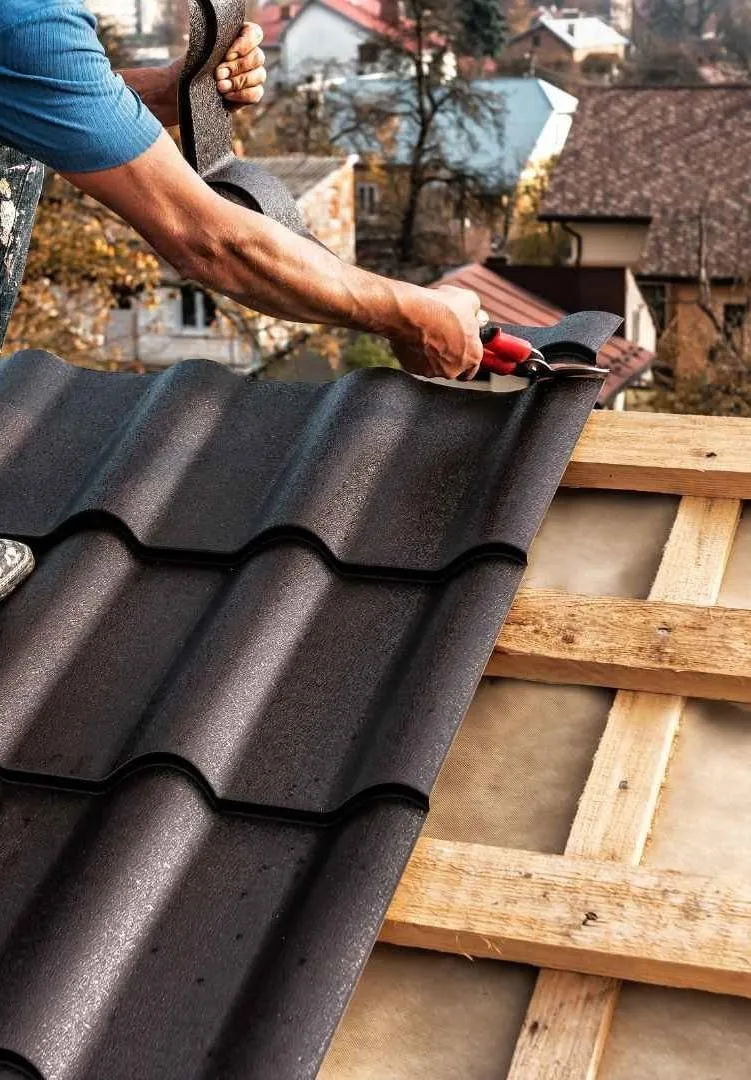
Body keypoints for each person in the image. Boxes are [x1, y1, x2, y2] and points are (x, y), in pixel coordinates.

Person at [0, 1, 483, 379]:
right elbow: (208, 241)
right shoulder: (28, 20)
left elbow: (31, 92)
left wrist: (172, 93)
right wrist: (412, 313)